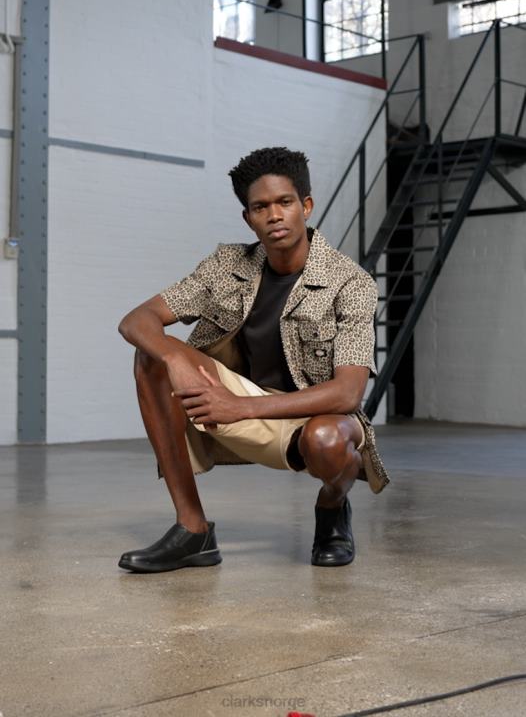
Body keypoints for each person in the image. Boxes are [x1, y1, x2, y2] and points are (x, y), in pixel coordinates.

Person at [117, 147, 388, 573]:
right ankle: (193, 530)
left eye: (285, 202)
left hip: (313, 414)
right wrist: (174, 357)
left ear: (306, 206)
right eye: (261, 207)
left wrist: (239, 406)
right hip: (238, 399)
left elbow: (348, 393)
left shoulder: (350, 283)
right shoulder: (227, 265)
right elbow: (137, 319)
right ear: (248, 218)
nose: (274, 215)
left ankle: (332, 507)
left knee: (328, 442)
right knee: (150, 356)